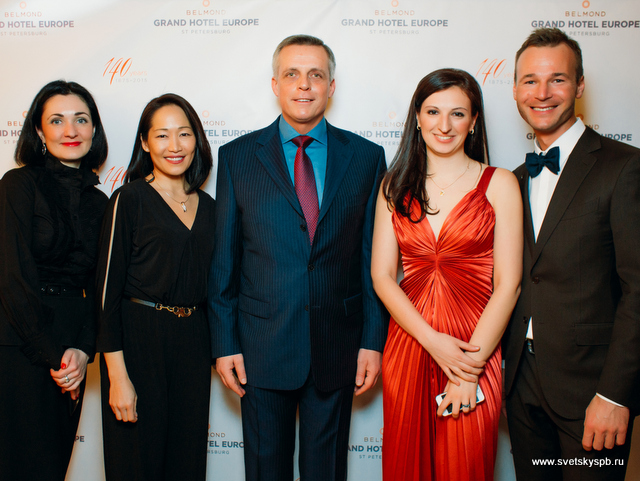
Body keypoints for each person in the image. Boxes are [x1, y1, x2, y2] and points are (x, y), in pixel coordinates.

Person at [209, 34, 388, 481]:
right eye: (292, 74)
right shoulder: (236, 157)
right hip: (260, 348)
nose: (304, 85)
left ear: (331, 86)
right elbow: (224, 262)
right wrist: (225, 344)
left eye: (315, 75)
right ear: (275, 84)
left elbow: (374, 261)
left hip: (338, 347)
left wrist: (372, 340)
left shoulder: (367, 158)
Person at [371, 68, 523, 480]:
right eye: (433, 111)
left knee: (466, 465)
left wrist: (469, 369)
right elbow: (382, 276)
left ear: (473, 122)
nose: (444, 125)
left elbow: (508, 285)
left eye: (458, 114)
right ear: (417, 118)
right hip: (410, 344)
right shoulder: (393, 185)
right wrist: (432, 341)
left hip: (475, 347)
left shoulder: (500, 184)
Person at [503, 28, 640, 480]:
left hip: (592, 392)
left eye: (557, 79)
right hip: (521, 386)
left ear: (580, 85)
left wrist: (616, 395)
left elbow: (638, 290)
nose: (542, 93)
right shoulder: (513, 179)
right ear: (515, 89)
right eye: (530, 81)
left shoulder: (624, 167)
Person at [96, 93, 214, 480]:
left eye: (184, 134)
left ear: (197, 139)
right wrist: (118, 377)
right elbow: (106, 296)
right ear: (145, 143)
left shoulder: (211, 207)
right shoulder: (129, 199)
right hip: (138, 343)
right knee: (136, 464)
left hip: (193, 344)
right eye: (162, 135)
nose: (174, 146)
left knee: (187, 465)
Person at [0, 80, 109, 480]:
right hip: (20, 345)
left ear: (94, 129)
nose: (71, 130)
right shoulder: (18, 185)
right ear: (39, 130)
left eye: (81, 119)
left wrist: (82, 349)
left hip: (73, 350)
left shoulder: (101, 202)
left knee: (51, 468)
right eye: (57, 120)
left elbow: (101, 287)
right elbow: (11, 276)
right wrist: (54, 356)